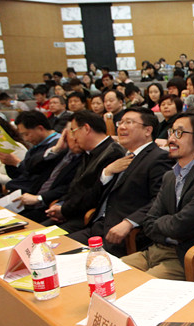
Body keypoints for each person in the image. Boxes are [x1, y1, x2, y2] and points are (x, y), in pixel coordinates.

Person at [122, 112, 194, 279]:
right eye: (171, 132)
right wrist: (168, 227)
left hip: (185, 257)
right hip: (155, 250)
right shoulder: (170, 176)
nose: (171, 139)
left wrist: (163, 223)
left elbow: (180, 227)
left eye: (179, 133)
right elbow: (148, 222)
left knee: (138, 285)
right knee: (110, 272)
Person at [68, 108, 172, 257]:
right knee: (57, 250)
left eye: (129, 122)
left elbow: (160, 200)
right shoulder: (123, 157)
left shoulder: (158, 158)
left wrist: (129, 222)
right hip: (98, 227)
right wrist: (106, 173)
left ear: (148, 130)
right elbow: (95, 196)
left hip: (124, 235)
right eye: (120, 122)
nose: (121, 127)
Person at [39, 111, 126, 231]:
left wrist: (64, 210)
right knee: (30, 234)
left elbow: (94, 196)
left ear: (86, 128)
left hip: (85, 219)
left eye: (73, 131)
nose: (73, 137)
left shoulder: (112, 153)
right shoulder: (87, 151)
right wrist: (60, 205)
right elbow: (75, 187)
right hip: (71, 212)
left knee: (43, 238)